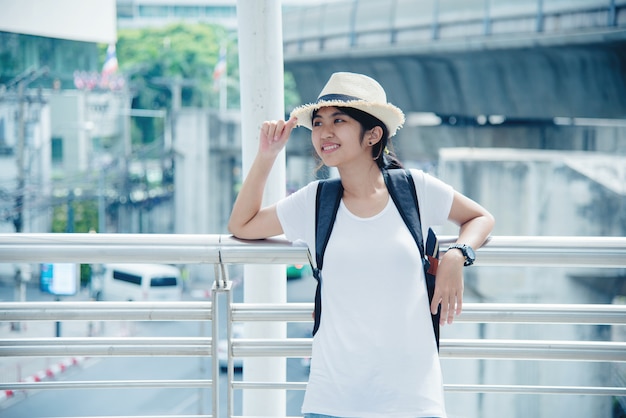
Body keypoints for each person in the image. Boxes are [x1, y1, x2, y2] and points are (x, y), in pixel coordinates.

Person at [228, 72, 495, 418]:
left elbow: (480, 218)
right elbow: (242, 225)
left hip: (412, 398)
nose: (325, 132)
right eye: (319, 122)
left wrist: (457, 255)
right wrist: (267, 156)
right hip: (333, 399)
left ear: (373, 134)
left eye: (339, 120)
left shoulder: (413, 190)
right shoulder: (316, 201)